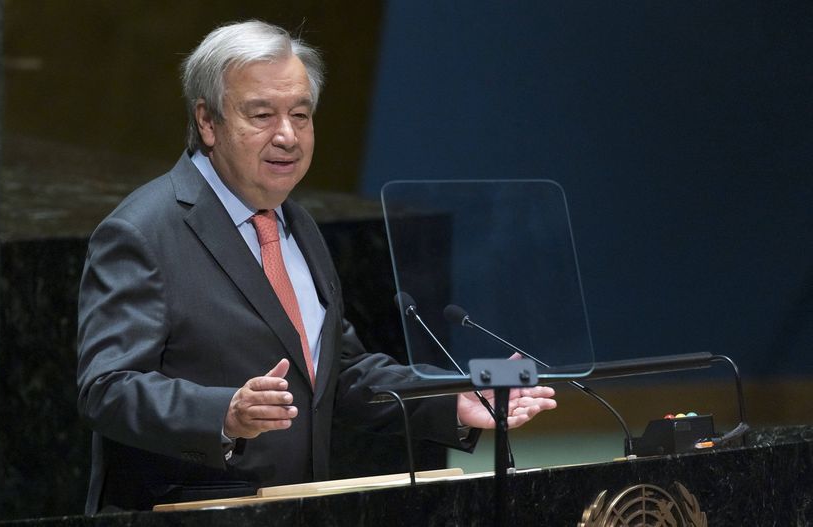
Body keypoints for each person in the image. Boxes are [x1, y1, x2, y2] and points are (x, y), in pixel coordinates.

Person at [76, 20, 556, 513]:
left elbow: (336, 373)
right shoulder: (142, 232)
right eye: (262, 115)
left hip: (297, 509)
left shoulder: (296, 224)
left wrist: (452, 397)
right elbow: (106, 390)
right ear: (207, 121)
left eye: (301, 115)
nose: (287, 135)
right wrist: (224, 413)